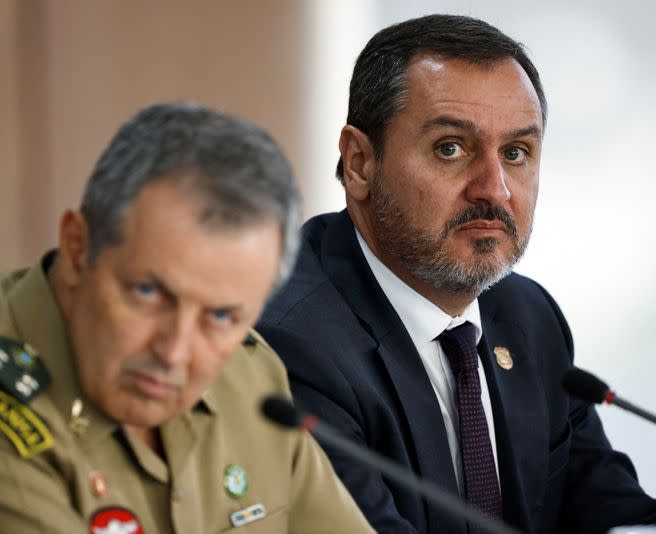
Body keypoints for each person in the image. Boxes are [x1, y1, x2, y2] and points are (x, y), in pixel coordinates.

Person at [0, 102, 375, 533]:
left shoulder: (249, 376)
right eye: (148, 293)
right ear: (79, 248)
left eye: (221, 316)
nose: (174, 351)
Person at [257, 14, 656, 534]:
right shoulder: (291, 342)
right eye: (452, 148)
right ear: (359, 163)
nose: (495, 189)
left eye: (516, 153)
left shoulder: (527, 318)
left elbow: (611, 511)